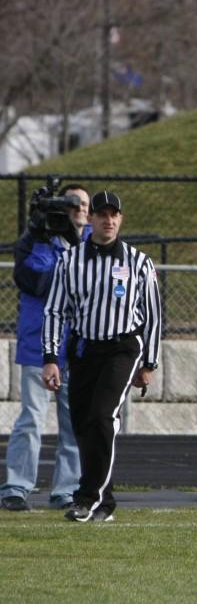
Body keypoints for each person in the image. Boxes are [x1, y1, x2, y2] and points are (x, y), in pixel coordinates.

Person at [42, 191, 162, 523]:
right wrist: (50, 357)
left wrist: (149, 363)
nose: (108, 220)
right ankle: (104, 502)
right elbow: (55, 311)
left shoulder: (139, 262)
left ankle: (87, 498)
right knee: (83, 423)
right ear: (90, 218)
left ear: (121, 219)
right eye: (102, 214)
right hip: (84, 348)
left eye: (114, 215)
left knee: (102, 416)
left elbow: (151, 315)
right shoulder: (70, 261)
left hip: (123, 348)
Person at [1, 184, 90, 512]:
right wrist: (39, 234)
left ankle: (66, 489)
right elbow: (32, 281)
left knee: (74, 422)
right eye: (72, 204)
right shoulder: (34, 240)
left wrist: (76, 243)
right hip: (39, 344)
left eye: (84, 204)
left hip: (78, 346)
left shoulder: (95, 242)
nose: (79, 209)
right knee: (32, 418)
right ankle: (17, 486)